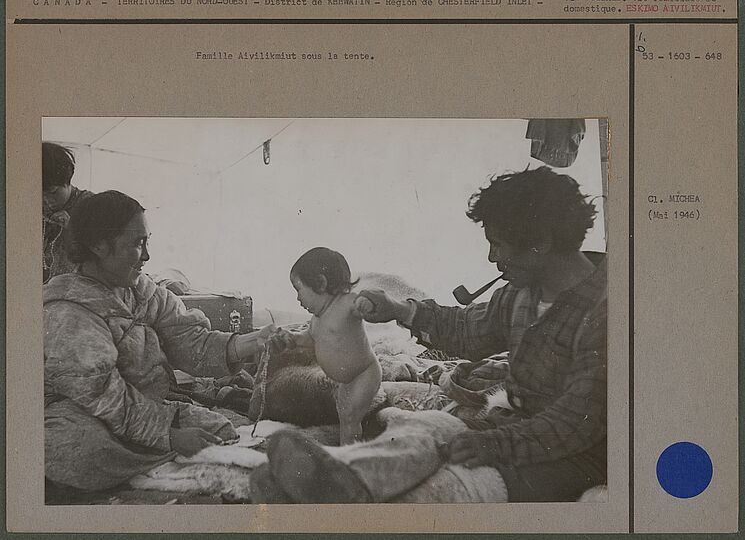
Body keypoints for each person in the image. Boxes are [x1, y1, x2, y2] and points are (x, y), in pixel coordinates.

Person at [256, 166, 607, 503]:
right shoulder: (519, 296)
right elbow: (466, 330)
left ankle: (345, 503)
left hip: (577, 454)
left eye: (497, 245)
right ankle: (341, 478)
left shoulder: (607, 311)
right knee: (428, 426)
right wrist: (400, 309)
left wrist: (495, 444)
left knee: (464, 481)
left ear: (540, 243)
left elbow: (575, 423)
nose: (491, 256)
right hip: (511, 427)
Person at [44, 190, 274, 492]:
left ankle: (148, 463)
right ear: (99, 246)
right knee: (80, 448)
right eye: (138, 244)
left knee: (220, 428)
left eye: (147, 241)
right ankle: (155, 460)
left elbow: (192, 343)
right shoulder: (69, 311)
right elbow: (104, 396)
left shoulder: (141, 291)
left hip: (144, 407)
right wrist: (170, 434)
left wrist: (255, 341)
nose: (148, 255)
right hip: (83, 413)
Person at [272, 247, 382, 444]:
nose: (297, 298)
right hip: (345, 381)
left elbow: (372, 299)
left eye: (299, 289)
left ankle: (351, 455)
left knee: (350, 418)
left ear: (320, 283)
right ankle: (349, 445)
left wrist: (368, 303)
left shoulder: (347, 303)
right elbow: (310, 339)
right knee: (344, 416)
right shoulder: (317, 319)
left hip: (364, 374)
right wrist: (293, 338)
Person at [42, 142, 93, 282]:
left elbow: (103, 254)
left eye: (52, 192)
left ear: (67, 180)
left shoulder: (91, 205)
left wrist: (72, 228)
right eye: (39, 195)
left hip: (75, 288)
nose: (46, 200)